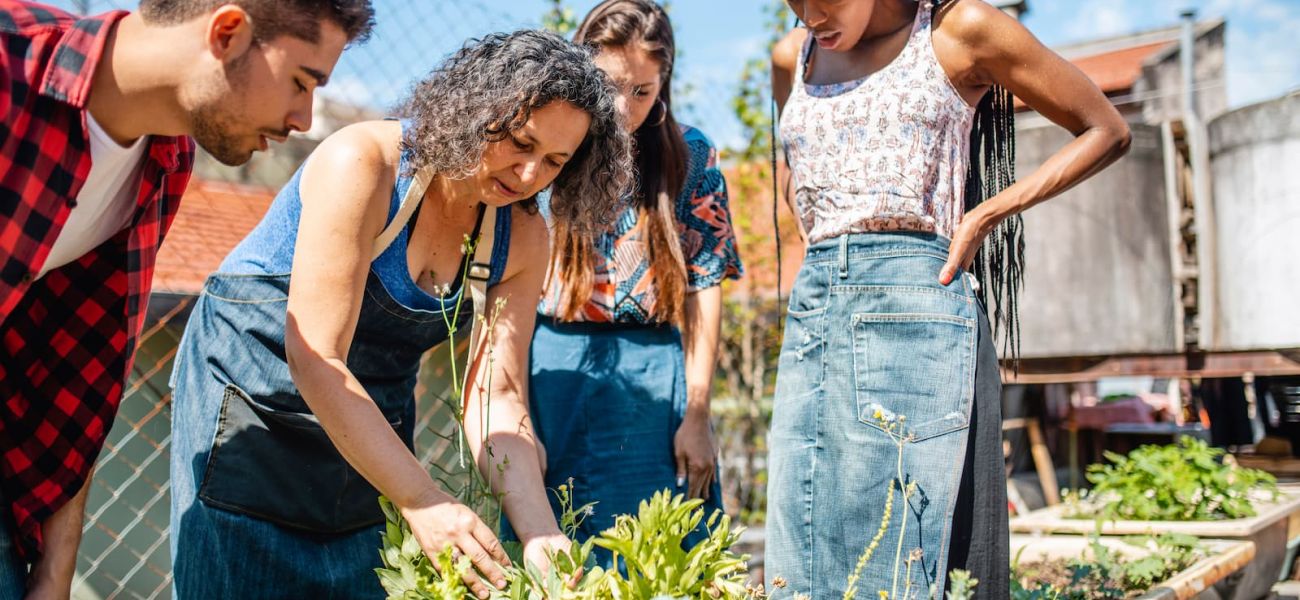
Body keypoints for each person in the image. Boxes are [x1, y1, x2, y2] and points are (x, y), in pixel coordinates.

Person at [167, 29, 632, 598]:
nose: (530, 175)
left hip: (370, 432)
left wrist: (538, 532)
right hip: (255, 401)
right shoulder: (363, 164)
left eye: (556, 161)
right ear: (475, 109)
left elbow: (499, 400)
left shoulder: (525, 237)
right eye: (520, 142)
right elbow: (317, 357)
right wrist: (423, 498)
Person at [0, 0, 373, 596]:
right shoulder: (11, 64)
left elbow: (78, 367)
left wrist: (54, 571)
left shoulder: (165, 158)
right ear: (227, 32)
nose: (304, 118)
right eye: (302, 82)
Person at [765, 0, 1131, 596]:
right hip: (815, 306)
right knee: (801, 542)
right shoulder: (793, 54)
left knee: (910, 546)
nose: (809, 16)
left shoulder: (959, 31)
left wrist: (986, 213)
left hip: (915, 302)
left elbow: (1106, 130)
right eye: (793, 0)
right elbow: (793, 160)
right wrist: (818, 221)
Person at [513, 0, 743, 570]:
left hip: (653, 370)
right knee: (557, 546)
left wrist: (697, 414)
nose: (623, 107)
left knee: (664, 552)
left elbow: (705, 285)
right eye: (609, 85)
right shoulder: (544, 148)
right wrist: (516, 416)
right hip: (551, 365)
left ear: (664, 83)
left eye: (642, 91)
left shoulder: (691, 153)